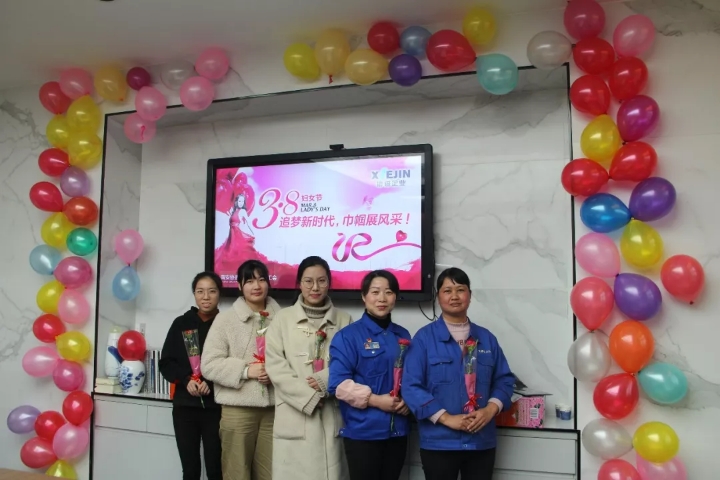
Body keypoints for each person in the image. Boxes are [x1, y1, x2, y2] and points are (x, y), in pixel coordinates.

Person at [402, 267, 515, 480]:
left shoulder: (487, 339)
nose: (454, 296)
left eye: (460, 290)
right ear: (438, 297)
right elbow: (411, 386)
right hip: (439, 442)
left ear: (470, 295)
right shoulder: (424, 339)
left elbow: (505, 381)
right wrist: (446, 418)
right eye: (447, 291)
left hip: (481, 442)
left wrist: (490, 410)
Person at [265, 256, 353, 480]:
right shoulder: (282, 319)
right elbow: (275, 366)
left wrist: (325, 381)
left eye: (321, 281)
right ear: (299, 283)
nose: (315, 287)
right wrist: (307, 396)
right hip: (294, 414)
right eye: (308, 281)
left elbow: (351, 362)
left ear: (329, 283)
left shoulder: (344, 320)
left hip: (332, 413)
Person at [201, 260, 281, 480]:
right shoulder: (225, 320)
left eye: (261, 279)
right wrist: (246, 371)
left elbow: (291, 359)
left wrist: (275, 371)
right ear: (239, 285)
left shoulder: (283, 319)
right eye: (250, 281)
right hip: (238, 410)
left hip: (274, 411)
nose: (257, 286)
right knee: (237, 473)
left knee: (271, 474)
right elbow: (209, 364)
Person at [328, 270, 412, 480]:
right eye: (375, 292)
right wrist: (376, 401)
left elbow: (412, 378)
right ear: (364, 296)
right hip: (363, 433)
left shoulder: (403, 335)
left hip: (398, 431)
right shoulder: (348, 336)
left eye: (388, 292)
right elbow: (338, 385)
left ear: (395, 297)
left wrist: (409, 400)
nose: (382, 298)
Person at [159, 271, 224, 480]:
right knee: (190, 469)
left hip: (216, 408)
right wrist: (186, 379)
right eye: (200, 291)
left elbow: (230, 364)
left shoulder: (225, 324)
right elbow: (166, 363)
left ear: (219, 294)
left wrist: (210, 383)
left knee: (216, 469)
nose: (206, 297)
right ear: (194, 294)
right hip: (185, 407)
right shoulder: (181, 323)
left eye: (212, 291)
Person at [214, 193, 269, 273]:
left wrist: (252, 233)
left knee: (238, 254)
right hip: (231, 236)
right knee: (229, 255)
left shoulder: (242, 211)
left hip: (237, 235)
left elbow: (248, 223)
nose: (241, 203)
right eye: (239, 201)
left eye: (242, 202)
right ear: (236, 202)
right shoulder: (234, 211)